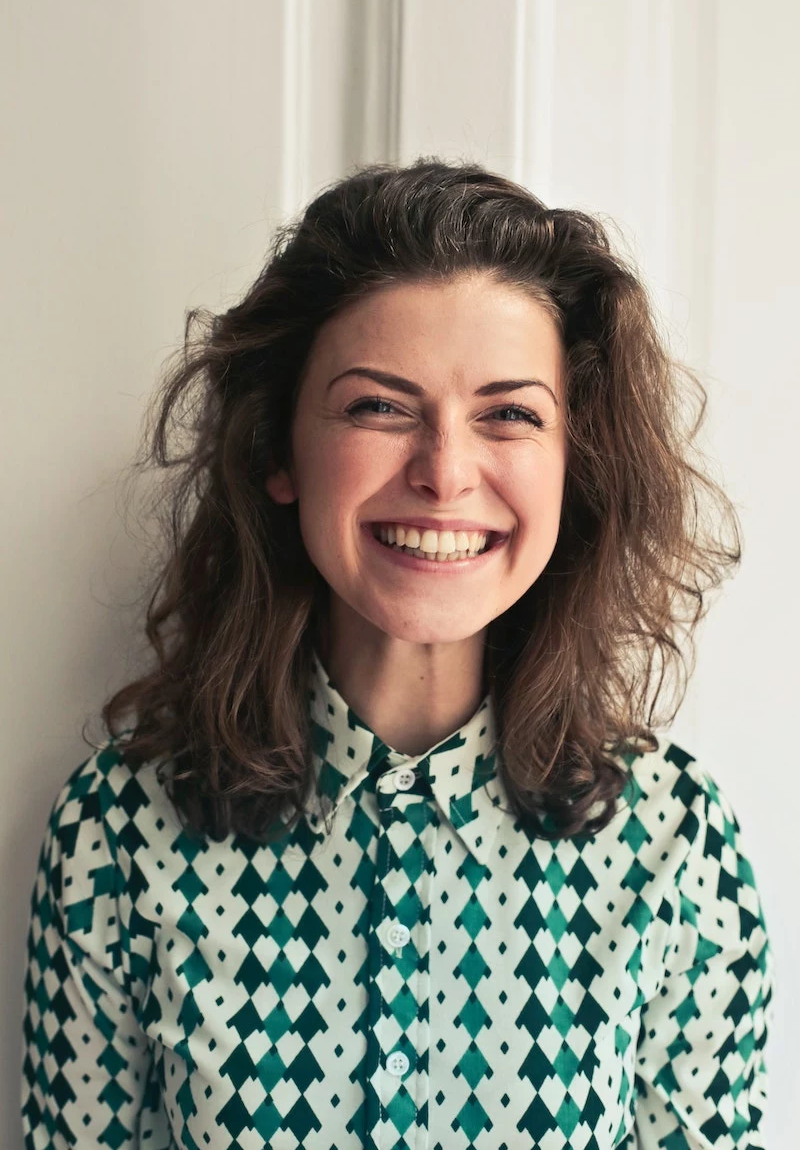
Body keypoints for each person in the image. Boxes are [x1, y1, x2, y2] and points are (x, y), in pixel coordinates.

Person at [20, 158, 774, 1149]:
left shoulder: (676, 842)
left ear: (572, 465)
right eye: (378, 406)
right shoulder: (117, 835)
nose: (444, 472)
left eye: (507, 414)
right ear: (277, 452)